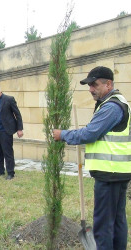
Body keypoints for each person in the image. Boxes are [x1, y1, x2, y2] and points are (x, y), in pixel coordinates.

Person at [52, 66, 131, 250]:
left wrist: (62, 134)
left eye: (94, 85)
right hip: (119, 171)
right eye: (89, 86)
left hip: (109, 173)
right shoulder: (118, 103)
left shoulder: (111, 107)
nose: (90, 89)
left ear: (108, 83)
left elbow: (89, 134)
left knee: (103, 224)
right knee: (118, 220)